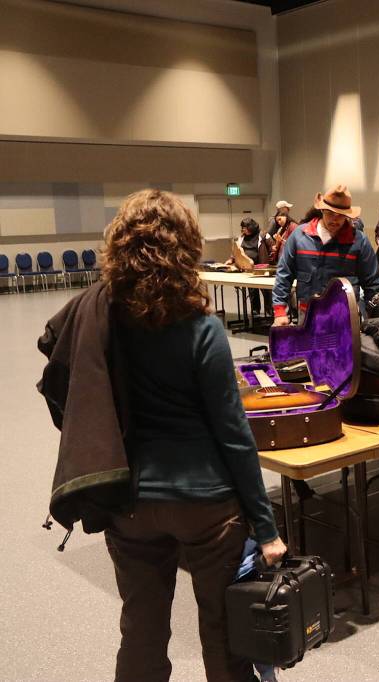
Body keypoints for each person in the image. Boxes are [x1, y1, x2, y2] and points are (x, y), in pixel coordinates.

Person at [99, 190, 287, 680]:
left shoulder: (102, 322)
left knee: (140, 635)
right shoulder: (202, 328)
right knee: (226, 639)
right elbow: (234, 435)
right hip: (208, 508)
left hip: (132, 497)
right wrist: (265, 528)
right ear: (186, 247)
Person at [273, 184, 379, 325]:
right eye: (330, 213)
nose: (335, 220)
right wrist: (280, 311)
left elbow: (372, 282)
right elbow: (284, 274)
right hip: (307, 316)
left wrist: (371, 318)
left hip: (344, 318)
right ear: (322, 210)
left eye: (340, 216)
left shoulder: (359, 241)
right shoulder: (299, 236)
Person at [232, 217, 273, 317]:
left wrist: (271, 261)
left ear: (251, 227)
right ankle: (255, 309)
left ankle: (269, 309)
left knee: (266, 290)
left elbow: (273, 247)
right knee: (252, 290)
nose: (243, 230)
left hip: (262, 268)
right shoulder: (241, 237)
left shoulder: (263, 235)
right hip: (248, 268)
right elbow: (237, 250)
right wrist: (232, 259)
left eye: (244, 228)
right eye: (242, 228)